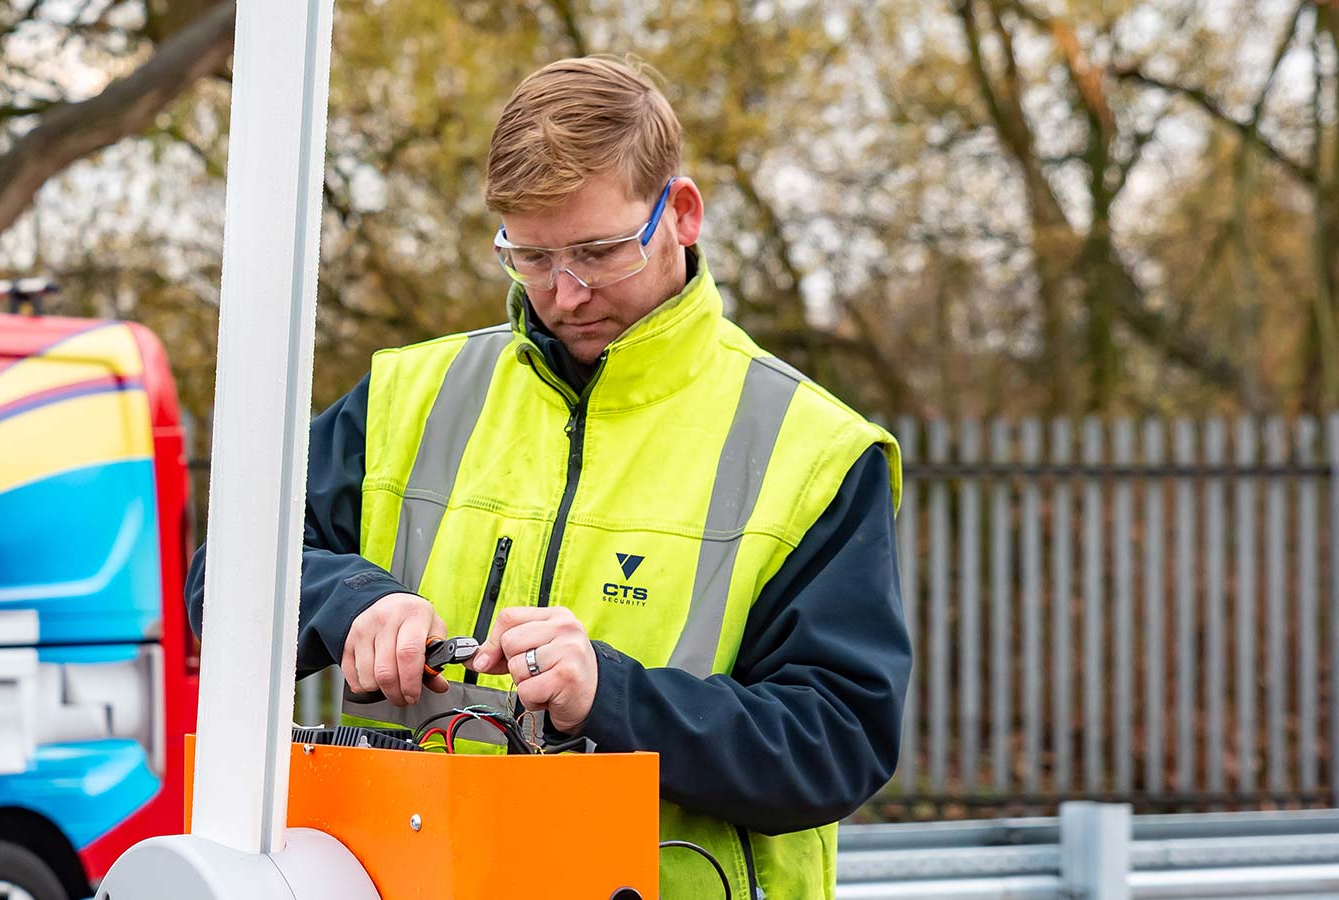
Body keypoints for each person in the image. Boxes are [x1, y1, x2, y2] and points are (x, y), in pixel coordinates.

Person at [188, 55, 910, 899]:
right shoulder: (406, 398)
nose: (566, 295)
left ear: (681, 213)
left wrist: (611, 695)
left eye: (599, 252)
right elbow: (222, 583)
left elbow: (839, 741)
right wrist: (351, 602)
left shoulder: (813, 448)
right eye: (530, 257)